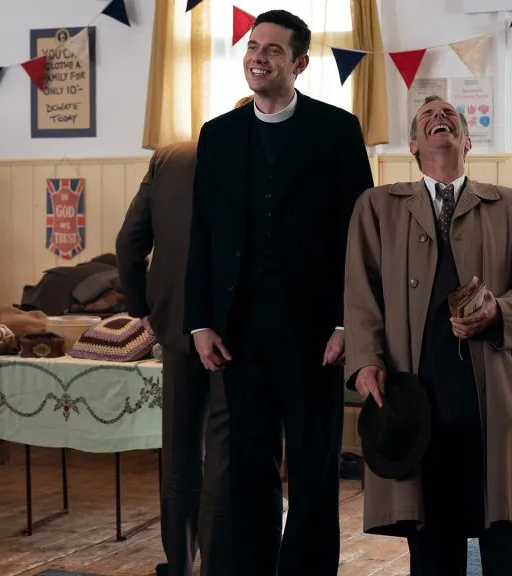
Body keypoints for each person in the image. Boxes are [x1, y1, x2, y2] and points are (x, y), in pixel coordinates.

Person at [183, 9, 373, 576]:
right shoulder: (217, 136)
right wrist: (200, 322)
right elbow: (202, 235)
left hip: (317, 334)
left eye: (272, 49)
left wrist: (348, 323)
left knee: (314, 468)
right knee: (246, 469)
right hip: (238, 333)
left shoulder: (337, 130)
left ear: (300, 63)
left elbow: (359, 237)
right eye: (252, 46)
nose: (258, 57)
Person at [342, 96, 512, 575]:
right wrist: (365, 360)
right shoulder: (376, 207)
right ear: (413, 146)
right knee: (433, 544)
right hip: (416, 398)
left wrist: (499, 311)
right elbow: (360, 295)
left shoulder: (510, 205)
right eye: (427, 117)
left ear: (467, 141)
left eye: (449, 116)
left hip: (491, 397)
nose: (439, 117)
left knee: (508, 534)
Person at [115, 95, 253, 576]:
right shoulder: (256, 158)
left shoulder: (170, 157)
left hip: (174, 322)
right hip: (233, 329)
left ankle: (178, 564)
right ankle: (217, 565)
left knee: (179, 450)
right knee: (222, 453)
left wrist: (142, 309)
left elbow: (128, 243)